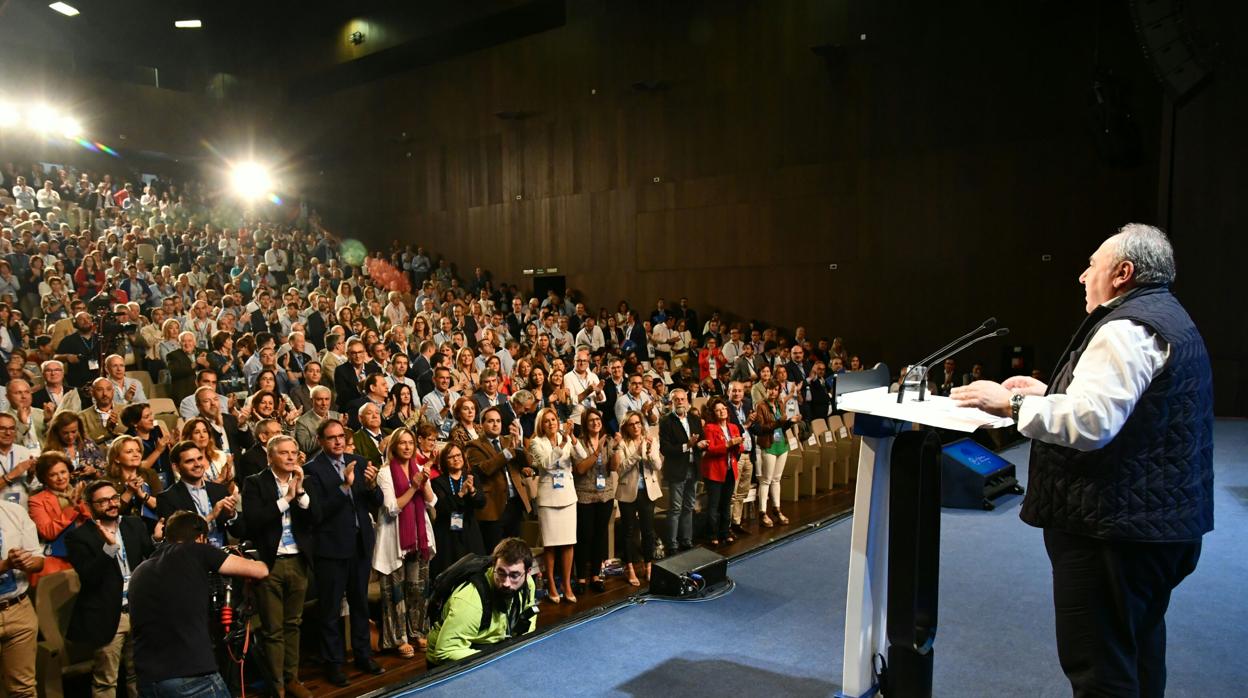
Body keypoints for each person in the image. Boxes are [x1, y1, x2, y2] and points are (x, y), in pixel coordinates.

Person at [952, 224, 1213, 697]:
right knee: (1137, 654)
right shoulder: (1165, 315)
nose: (1081, 275)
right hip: (1156, 523)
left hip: (1112, 532)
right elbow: (1132, 408)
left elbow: (1092, 423)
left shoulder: (1126, 329)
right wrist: (1049, 394)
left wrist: (1009, 406)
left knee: (1101, 671)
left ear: (1122, 273)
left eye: (1092, 264)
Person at [128, 511, 269, 698]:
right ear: (201, 538)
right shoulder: (196, 550)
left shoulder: (140, 570)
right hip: (191, 676)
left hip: (148, 682)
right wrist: (256, 560)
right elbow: (260, 571)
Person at [302, 418, 385, 686]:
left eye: (340, 436)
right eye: (331, 437)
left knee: (360, 604)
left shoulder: (359, 462)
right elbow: (318, 512)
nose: (338, 441)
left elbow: (376, 502)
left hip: (360, 545)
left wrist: (372, 487)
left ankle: (363, 655)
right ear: (320, 441)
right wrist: (345, 486)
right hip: (331, 550)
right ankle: (334, 663)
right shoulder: (311, 471)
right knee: (331, 610)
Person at [241, 435, 317, 698]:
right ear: (270, 457)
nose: (290, 457)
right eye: (284, 453)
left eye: (294, 452)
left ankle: (292, 678)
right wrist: (286, 499)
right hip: (269, 564)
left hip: (298, 561)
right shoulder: (255, 483)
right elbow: (254, 521)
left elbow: (312, 518)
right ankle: (278, 687)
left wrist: (301, 491)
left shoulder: (301, 480)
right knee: (273, 630)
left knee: (293, 624)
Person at [66, 479, 156, 698]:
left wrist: (157, 540)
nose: (111, 504)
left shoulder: (134, 524)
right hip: (107, 616)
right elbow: (89, 577)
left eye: (114, 498)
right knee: (106, 680)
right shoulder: (79, 537)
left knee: (140, 673)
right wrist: (109, 548)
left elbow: (150, 559)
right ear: (89, 506)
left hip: (138, 610)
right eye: (103, 501)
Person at [373, 427, 437, 659]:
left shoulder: (418, 468)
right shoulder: (384, 473)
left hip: (419, 538)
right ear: (394, 447)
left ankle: (418, 630)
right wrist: (413, 486)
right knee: (395, 592)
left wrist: (424, 482)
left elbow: (432, 501)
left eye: (411, 442)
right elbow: (392, 508)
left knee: (418, 589)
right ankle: (398, 638)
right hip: (395, 539)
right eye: (403, 443)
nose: (408, 447)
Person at [425, 537, 537, 665]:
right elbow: (445, 651)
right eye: (501, 573)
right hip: (453, 659)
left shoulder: (528, 585)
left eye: (514, 575)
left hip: (493, 645)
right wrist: (498, 658)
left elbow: (529, 614)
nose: (506, 583)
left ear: (527, 572)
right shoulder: (470, 600)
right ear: (494, 565)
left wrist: (522, 646)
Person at [528, 406, 577, 603]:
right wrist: (562, 443)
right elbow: (546, 464)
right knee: (551, 545)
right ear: (541, 423)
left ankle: (566, 584)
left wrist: (572, 440)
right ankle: (551, 583)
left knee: (568, 542)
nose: (551, 423)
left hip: (567, 495)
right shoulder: (535, 442)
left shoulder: (566, 437)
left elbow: (580, 455)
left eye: (553, 419)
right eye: (546, 420)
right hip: (548, 498)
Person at [155, 441, 242, 548]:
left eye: (199, 458)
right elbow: (176, 540)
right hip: (191, 559)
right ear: (176, 467)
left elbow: (239, 532)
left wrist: (232, 515)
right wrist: (211, 516)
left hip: (221, 556)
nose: (197, 464)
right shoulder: (167, 498)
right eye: (190, 461)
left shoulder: (219, 490)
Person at [0, 498, 44, 698]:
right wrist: (7, 564)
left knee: (23, 690)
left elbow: (38, 561)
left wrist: (26, 561)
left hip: (19, 609)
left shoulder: (14, 511)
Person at [614, 410, 664, 585]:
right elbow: (620, 470)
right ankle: (630, 569)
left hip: (648, 492)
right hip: (628, 492)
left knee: (648, 531)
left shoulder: (652, 440)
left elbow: (657, 465)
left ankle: (649, 565)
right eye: (632, 424)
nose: (635, 427)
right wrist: (636, 453)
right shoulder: (622, 444)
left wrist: (650, 452)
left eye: (638, 423)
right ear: (626, 427)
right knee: (628, 532)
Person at [26, 451, 91, 583]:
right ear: (44, 478)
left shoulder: (84, 492)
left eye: (63, 472)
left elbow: (94, 523)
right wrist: (72, 507)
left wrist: (79, 503)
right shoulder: (36, 500)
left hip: (88, 551)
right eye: (53, 475)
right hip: (60, 558)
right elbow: (48, 532)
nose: (60, 478)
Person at [571, 408, 616, 593]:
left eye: (598, 419)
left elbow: (613, 468)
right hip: (585, 495)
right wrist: (597, 451)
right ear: (585, 423)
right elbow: (580, 469)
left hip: (605, 494)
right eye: (591, 420)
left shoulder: (609, 441)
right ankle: (581, 577)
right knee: (585, 536)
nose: (595, 422)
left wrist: (616, 450)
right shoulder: (578, 443)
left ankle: (596, 575)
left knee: (600, 536)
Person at [431, 441, 487, 578]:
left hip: (469, 529)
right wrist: (461, 493)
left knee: (474, 571)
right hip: (447, 534)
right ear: (444, 461)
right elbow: (443, 508)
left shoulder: (471, 477)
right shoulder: (438, 482)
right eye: (451, 457)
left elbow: (481, 502)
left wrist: (472, 490)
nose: (456, 459)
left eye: (458, 455)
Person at [658, 389, 703, 553]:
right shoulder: (666, 422)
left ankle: (687, 540)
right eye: (676, 400)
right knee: (676, 508)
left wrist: (701, 444)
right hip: (677, 470)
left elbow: (701, 438)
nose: (680, 402)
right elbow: (665, 449)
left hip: (694, 467)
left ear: (687, 401)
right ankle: (672, 544)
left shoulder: (694, 419)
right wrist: (687, 446)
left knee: (689, 506)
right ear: (672, 402)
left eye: (682, 399)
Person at [751, 380, 794, 527]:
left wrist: (791, 422)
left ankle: (777, 509)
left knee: (776, 479)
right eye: (770, 389)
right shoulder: (760, 406)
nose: (773, 392)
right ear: (766, 390)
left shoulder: (780, 404)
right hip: (768, 445)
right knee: (766, 480)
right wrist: (778, 422)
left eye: (776, 389)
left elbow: (781, 427)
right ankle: (762, 512)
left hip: (781, 444)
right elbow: (761, 428)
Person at [700, 398, 743, 545]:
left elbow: (740, 448)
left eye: (723, 408)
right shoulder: (709, 428)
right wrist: (728, 444)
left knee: (726, 503)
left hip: (730, 469)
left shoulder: (733, 427)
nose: (722, 411)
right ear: (713, 413)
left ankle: (724, 532)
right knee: (713, 505)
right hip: (714, 471)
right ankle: (711, 534)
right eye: (718, 410)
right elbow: (711, 449)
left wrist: (737, 444)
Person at [104, 436, 162, 531]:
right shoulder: (108, 481)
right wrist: (129, 492)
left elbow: (161, 505)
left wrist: (142, 495)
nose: (136, 455)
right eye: (129, 452)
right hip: (121, 529)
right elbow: (113, 511)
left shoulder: (150, 474)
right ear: (116, 458)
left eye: (138, 451)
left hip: (152, 527)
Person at [0, 413, 36, 507]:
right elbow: (15, 474)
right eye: (2, 428)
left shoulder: (25, 452)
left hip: (23, 511)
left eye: (12, 428)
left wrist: (31, 475)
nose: (8, 433)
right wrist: (12, 474)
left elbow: (33, 486)